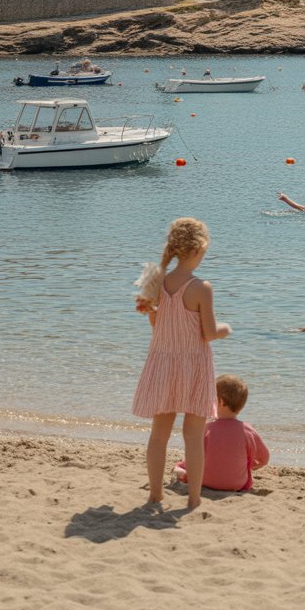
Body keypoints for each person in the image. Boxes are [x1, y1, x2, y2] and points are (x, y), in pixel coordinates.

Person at [132, 218, 231, 510]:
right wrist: (227, 329)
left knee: (158, 435)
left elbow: (155, 324)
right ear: (199, 248)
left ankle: (154, 495)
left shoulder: (155, 279)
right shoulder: (201, 287)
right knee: (194, 437)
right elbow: (209, 333)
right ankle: (194, 498)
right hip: (194, 366)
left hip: (162, 363)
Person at [174, 375, 269, 492]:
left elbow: (194, 457)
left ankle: (179, 470)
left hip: (204, 481)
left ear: (220, 402)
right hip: (238, 484)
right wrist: (250, 465)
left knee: (180, 466)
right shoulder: (247, 430)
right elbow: (264, 459)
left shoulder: (207, 429)